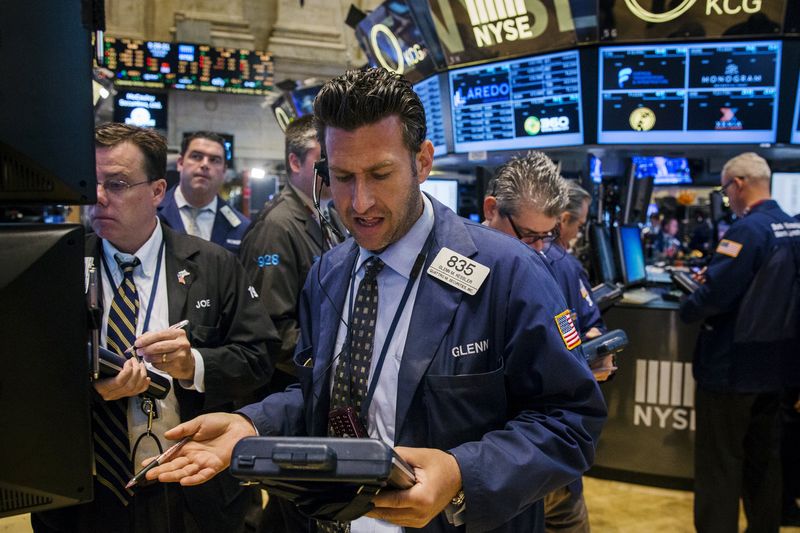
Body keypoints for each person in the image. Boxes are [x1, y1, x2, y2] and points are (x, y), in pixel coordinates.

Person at [146, 67, 607, 533]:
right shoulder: (329, 272)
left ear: (422, 162)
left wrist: (462, 473)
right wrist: (253, 424)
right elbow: (316, 396)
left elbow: (570, 422)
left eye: (380, 174)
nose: (360, 202)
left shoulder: (508, 272)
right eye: (342, 177)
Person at [33, 123, 277, 533]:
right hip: (87, 496)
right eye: (90, 183)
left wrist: (193, 365)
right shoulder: (58, 266)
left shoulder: (213, 265)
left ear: (158, 191)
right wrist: (90, 394)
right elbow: (28, 378)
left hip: (193, 492)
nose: (97, 197)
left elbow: (260, 359)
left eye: (117, 183)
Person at [482, 158, 609, 533]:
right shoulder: (455, 270)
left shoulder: (554, 264)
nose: (538, 249)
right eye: (528, 236)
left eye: (547, 236)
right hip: (484, 465)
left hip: (537, 459)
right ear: (492, 209)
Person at [680, 152, 800, 533]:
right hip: (778, 367)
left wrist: (689, 302)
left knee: (720, 465)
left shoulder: (747, 231)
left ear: (740, 184)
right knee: (764, 461)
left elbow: (713, 296)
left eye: (726, 188)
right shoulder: (792, 227)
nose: (726, 197)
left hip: (732, 368)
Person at [239, 115, 345, 395]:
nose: (334, 167)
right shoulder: (276, 226)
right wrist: (331, 363)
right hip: (289, 386)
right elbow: (272, 329)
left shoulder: (331, 214)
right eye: (324, 158)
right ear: (295, 162)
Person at [158, 131, 250, 254]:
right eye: (196, 156)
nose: (205, 164)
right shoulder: (150, 214)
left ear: (224, 171)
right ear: (180, 163)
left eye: (214, 160)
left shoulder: (241, 227)